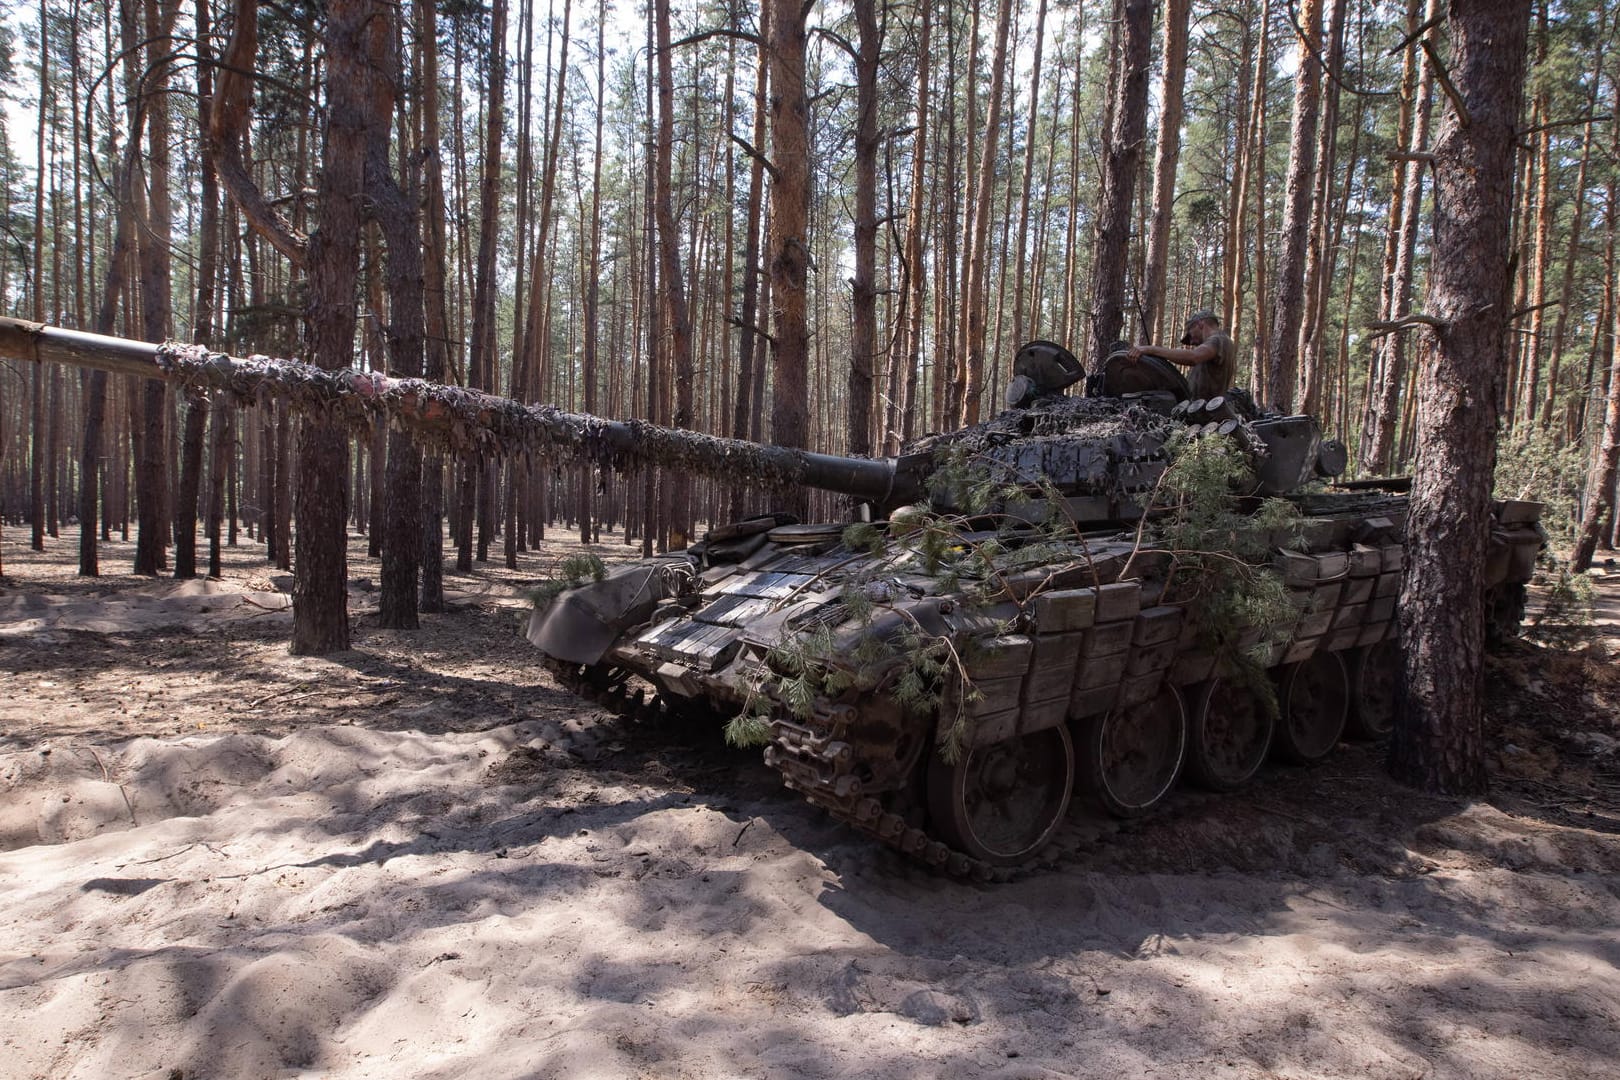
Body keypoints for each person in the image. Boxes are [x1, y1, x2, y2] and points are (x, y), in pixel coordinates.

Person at [1127, 309, 1236, 400]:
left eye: (1190, 334)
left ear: (1200, 324)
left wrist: (1149, 349)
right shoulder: (1219, 341)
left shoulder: (1218, 340)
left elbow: (1193, 357)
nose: (1192, 342)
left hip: (1204, 413)